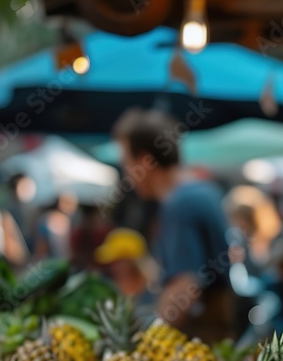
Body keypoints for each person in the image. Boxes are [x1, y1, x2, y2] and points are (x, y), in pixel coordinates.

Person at [112, 108, 236, 343]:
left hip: (200, 339)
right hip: (220, 333)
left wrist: (148, 341)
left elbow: (185, 286)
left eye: (127, 163)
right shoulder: (202, 190)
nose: (127, 176)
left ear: (145, 161)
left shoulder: (179, 204)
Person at [94, 227, 160, 324]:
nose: (112, 267)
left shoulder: (153, 291)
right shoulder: (109, 288)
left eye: (117, 261)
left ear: (130, 261)